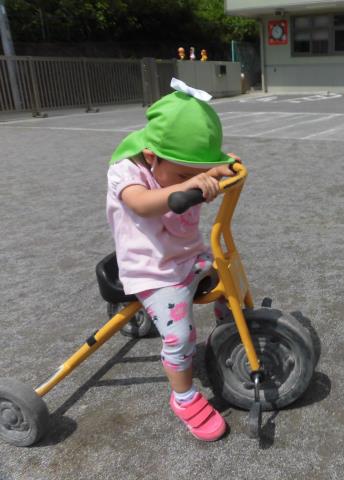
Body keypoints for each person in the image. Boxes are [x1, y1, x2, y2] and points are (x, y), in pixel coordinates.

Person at [106, 78, 237, 441]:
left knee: (229, 281)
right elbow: (141, 203)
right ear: (151, 157)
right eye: (183, 174)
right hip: (154, 270)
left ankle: (228, 335)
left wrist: (220, 168)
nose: (195, 180)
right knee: (180, 336)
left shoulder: (183, 169)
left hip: (188, 255)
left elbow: (204, 167)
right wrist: (187, 186)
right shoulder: (127, 173)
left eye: (199, 171)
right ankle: (183, 397)